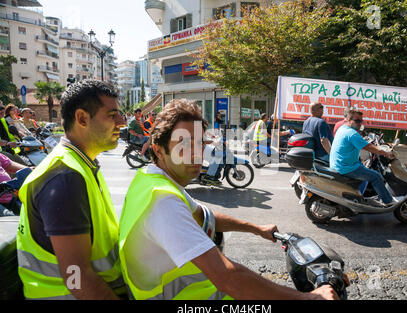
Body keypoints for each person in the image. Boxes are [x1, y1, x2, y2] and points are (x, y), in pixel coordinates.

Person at [118, 99, 338, 300]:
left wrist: (256, 228)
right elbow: (227, 277)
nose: (196, 153)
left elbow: (204, 216)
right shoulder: (163, 200)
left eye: (199, 143)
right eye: (183, 144)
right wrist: (309, 298)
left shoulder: (151, 180)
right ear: (158, 149)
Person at [16, 80, 126, 300]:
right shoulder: (65, 178)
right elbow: (78, 279)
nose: (122, 122)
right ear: (82, 118)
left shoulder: (81, 165)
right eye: (112, 115)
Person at [330, 109, 402, 206]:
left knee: (364, 168)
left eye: (361, 121)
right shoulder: (352, 134)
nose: (360, 123)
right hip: (346, 167)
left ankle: (359, 196)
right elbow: (369, 147)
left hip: (339, 164)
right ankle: (388, 201)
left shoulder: (343, 128)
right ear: (348, 119)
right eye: (357, 121)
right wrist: (386, 153)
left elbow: (358, 142)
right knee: (376, 176)